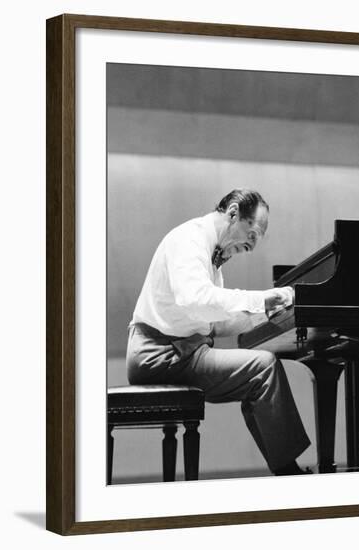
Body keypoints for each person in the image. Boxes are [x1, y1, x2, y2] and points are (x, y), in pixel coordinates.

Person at [126, 189, 310, 475]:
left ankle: (286, 470)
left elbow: (212, 323)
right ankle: (288, 473)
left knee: (258, 372)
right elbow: (196, 299)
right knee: (263, 367)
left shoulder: (210, 254)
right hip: (159, 355)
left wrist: (267, 313)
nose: (252, 247)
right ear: (233, 213)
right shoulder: (189, 239)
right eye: (251, 235)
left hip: (181, 352)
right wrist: (259, 299)